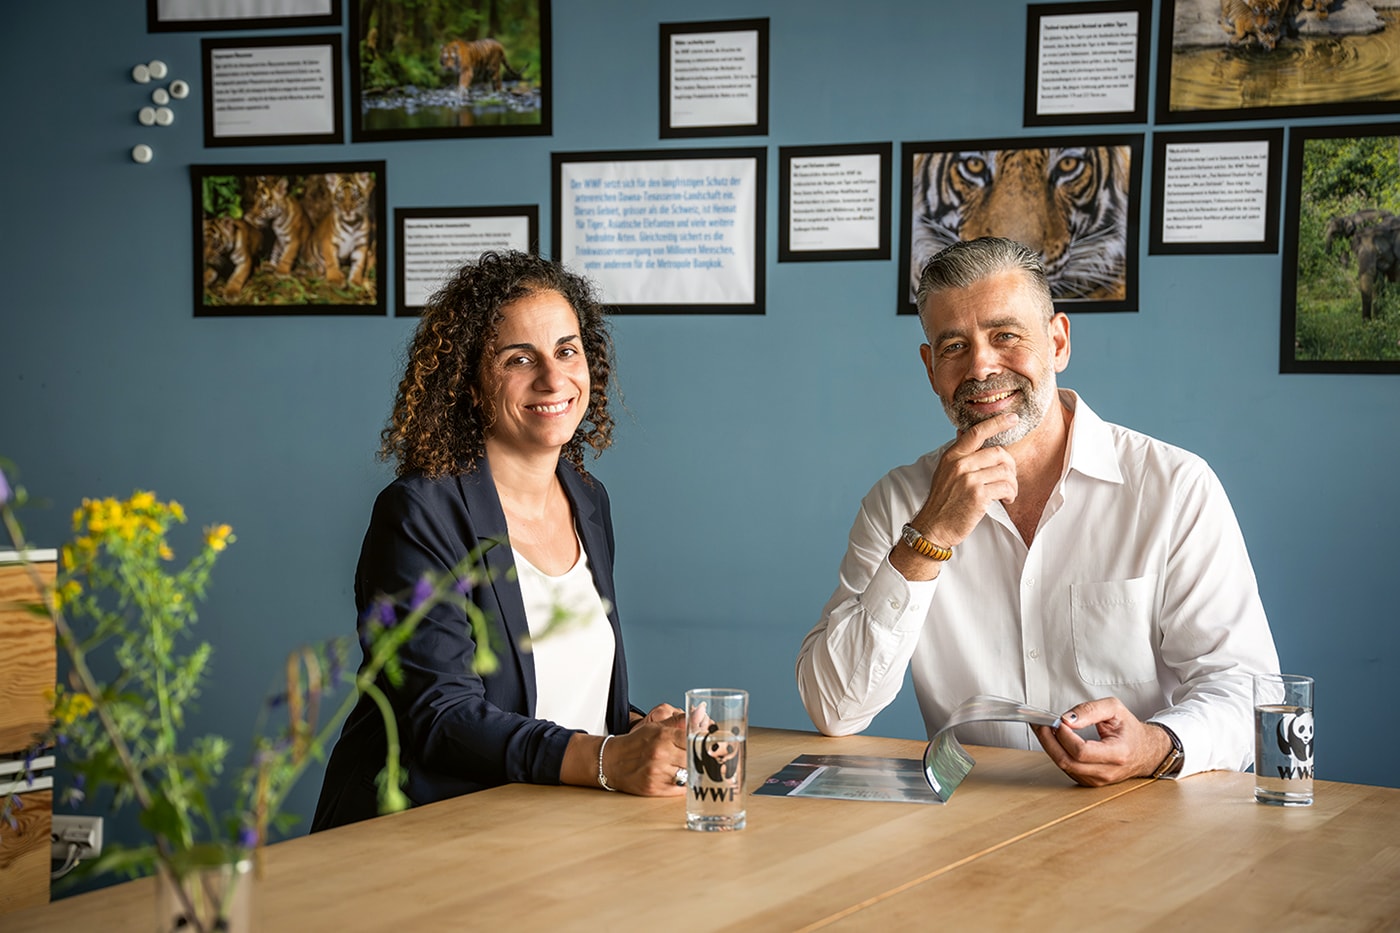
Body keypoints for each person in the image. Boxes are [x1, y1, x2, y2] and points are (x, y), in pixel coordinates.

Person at [796, 236, 1280, 787]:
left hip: (1145, 816)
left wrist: (1157, 745)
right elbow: (835, 708)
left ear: (1057, 341)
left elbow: (1248, 688)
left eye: (1005, 335)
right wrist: (927, 538)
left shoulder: (1174, 487)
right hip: (974, 830)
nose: (981, 366)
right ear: (931, 369)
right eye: (954, 346)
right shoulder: (899, 504)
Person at [313, 251, 685, 831]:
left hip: (554, 830)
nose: (554, 378)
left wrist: (641, 732)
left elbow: (551, 697)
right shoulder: (419, 513)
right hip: (427, 838)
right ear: (469, 382)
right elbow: (440, 716)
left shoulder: (586, 498)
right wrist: (611, 760)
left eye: (567, 350)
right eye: (519, 359)